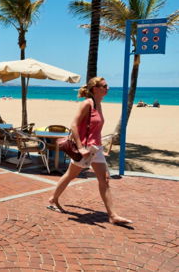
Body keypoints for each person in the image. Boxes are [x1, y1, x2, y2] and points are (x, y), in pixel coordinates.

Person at [47, 77, 132, 225]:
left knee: (104, 179)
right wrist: (80, 147)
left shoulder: (98, 104)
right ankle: (53, 199)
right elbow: (73, 125)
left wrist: (101, 149)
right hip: (85, 149)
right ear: (95, 88)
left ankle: (112, 215)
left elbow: (96, 130)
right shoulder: (87, 103)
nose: (108, 88)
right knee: (69, 175)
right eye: (105, 86)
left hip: (95, 149)